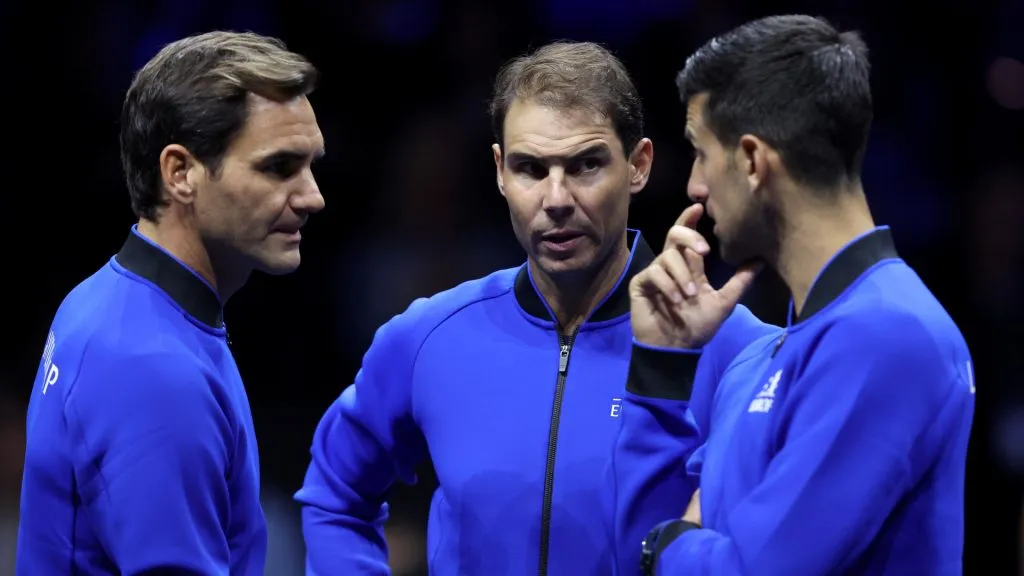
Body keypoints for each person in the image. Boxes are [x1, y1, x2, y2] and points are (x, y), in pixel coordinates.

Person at [295, 41, 775, 575]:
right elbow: (333, 494)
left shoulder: (740, 352)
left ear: (638, 166)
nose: (556, 199)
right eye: (530, 168)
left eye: (586, 165)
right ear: (500, 171)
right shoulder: (429, 336)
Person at [608, 14, 976, 576]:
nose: (694, 187)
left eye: (700, 153)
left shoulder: (889, 335)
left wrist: (668, 547)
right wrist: (661, 365)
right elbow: (638, 552)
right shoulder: (757, 362)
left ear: (753, 161)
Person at [16, 31, 325, 575]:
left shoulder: (111, 298)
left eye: (311, 165)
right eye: (279, 167)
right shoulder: (153, 370)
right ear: (180, 173)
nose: (312, 196)